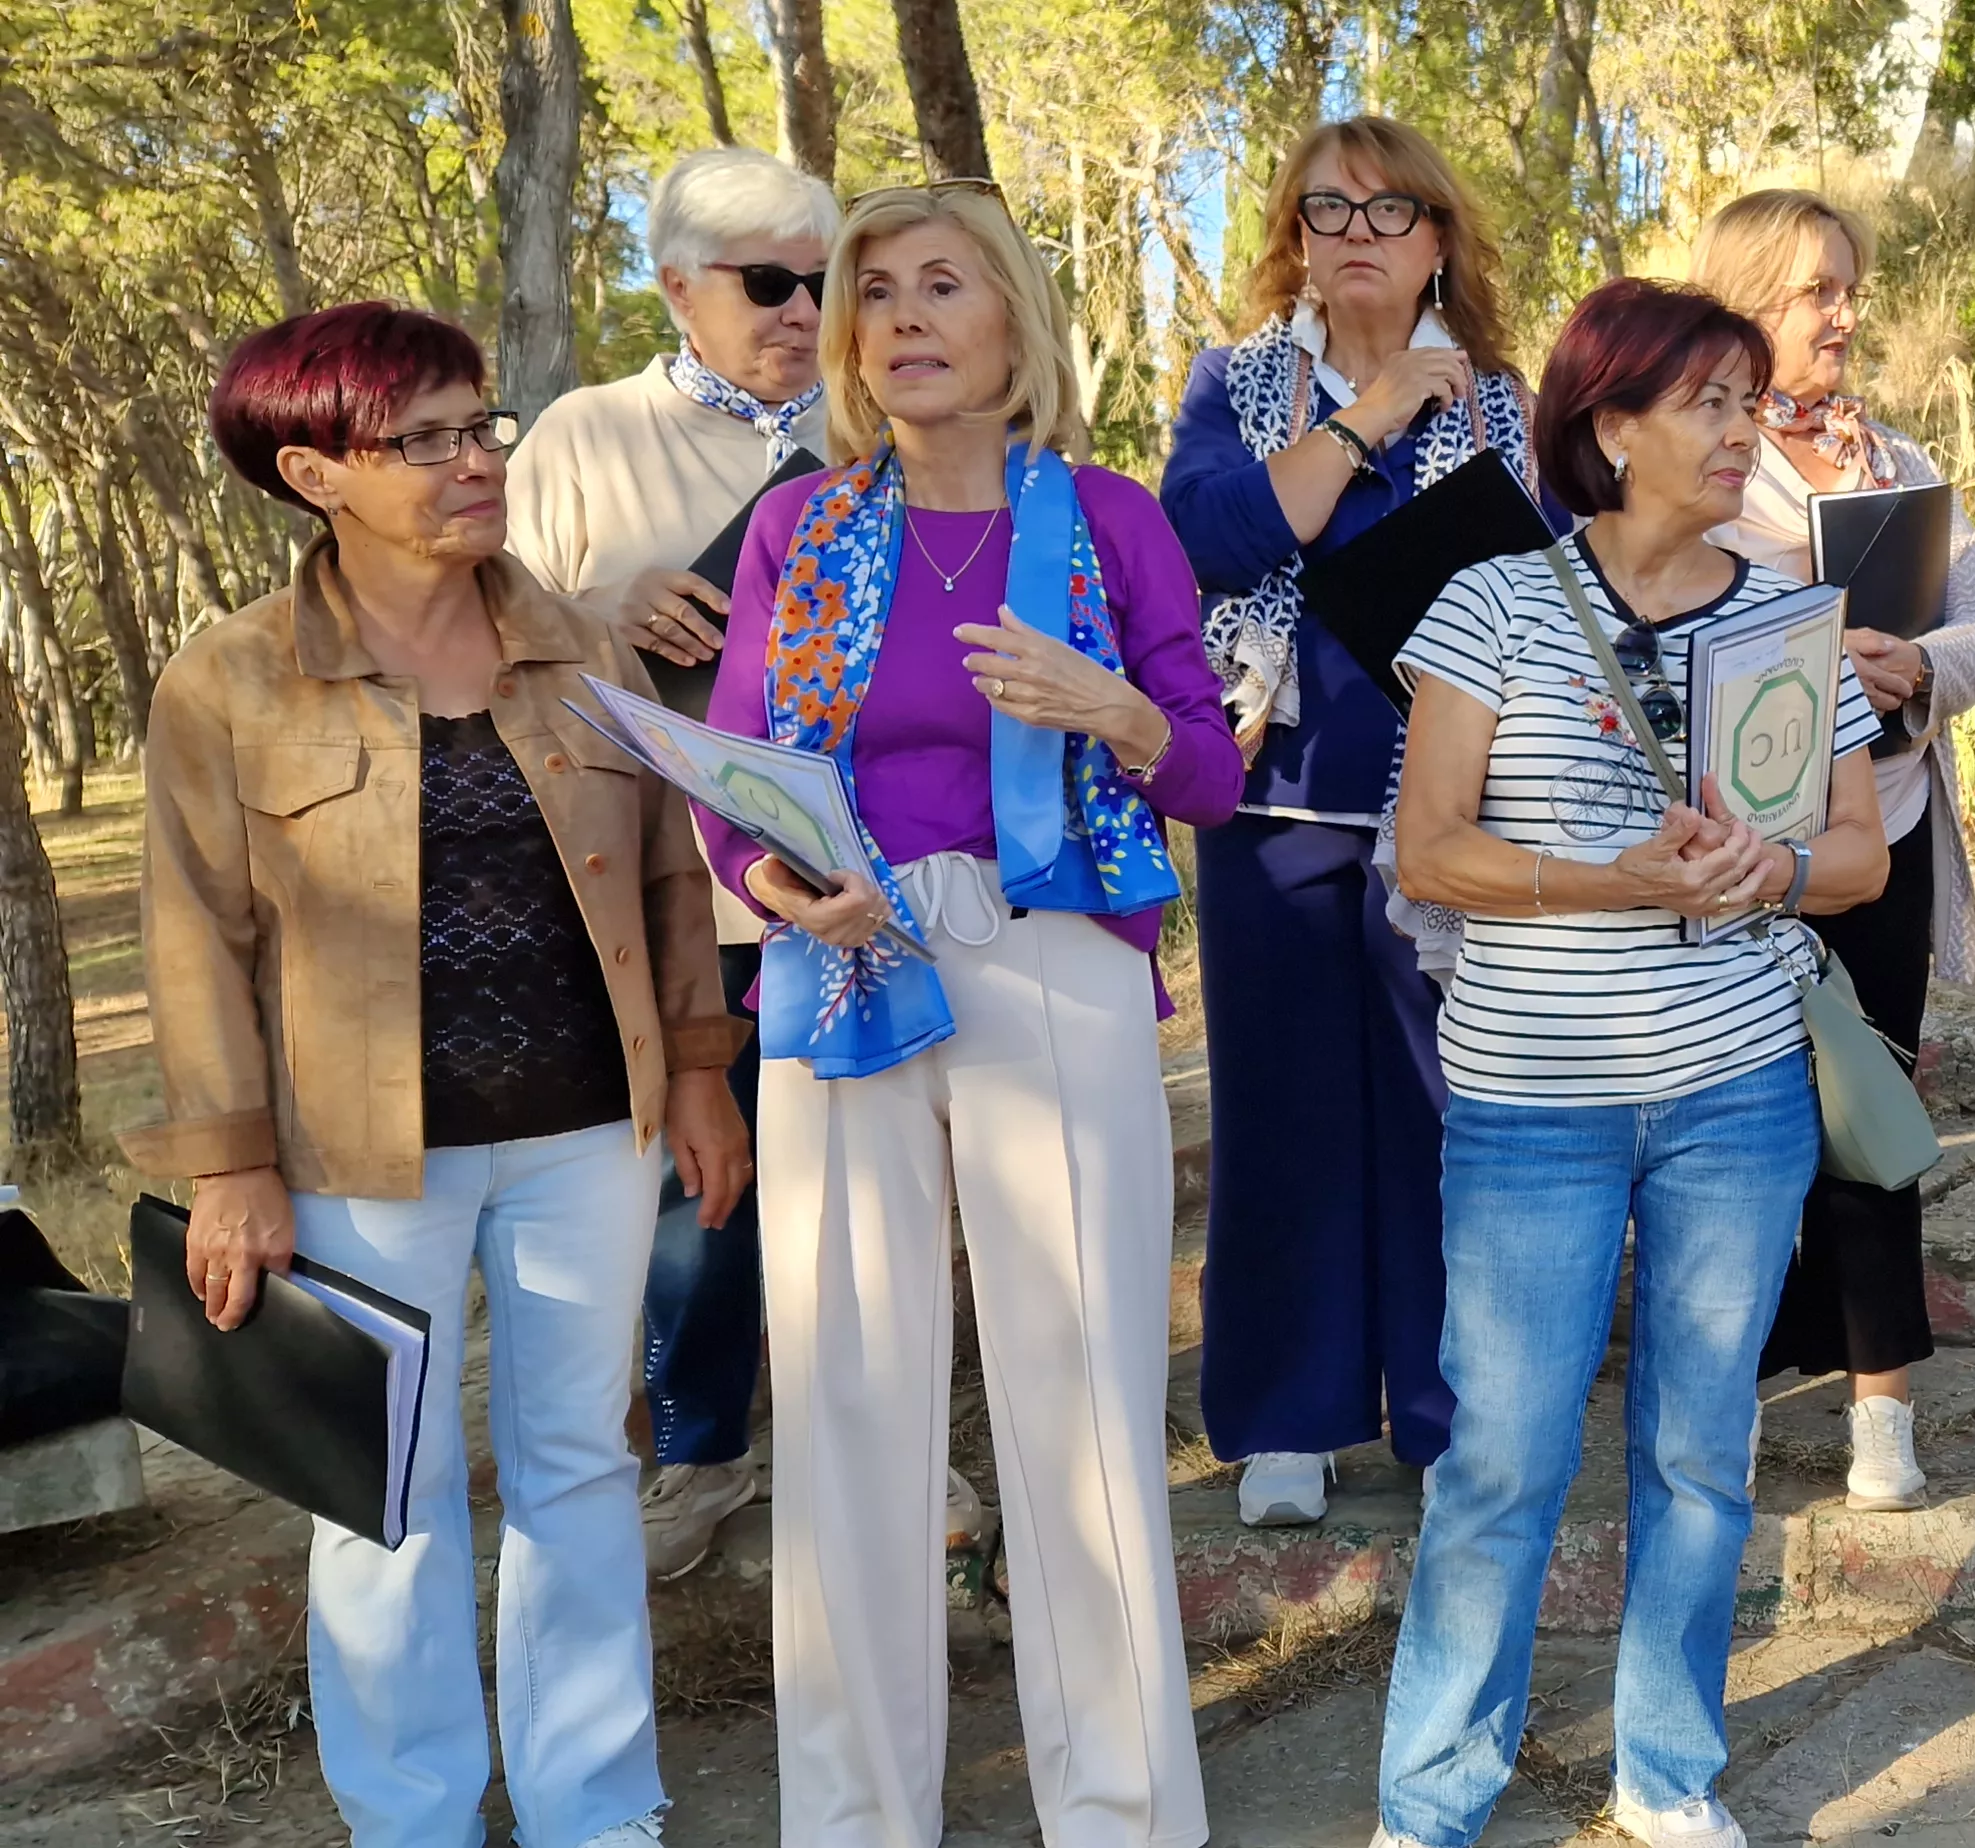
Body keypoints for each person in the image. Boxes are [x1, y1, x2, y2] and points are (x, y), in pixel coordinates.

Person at [141, 300, 750, 1848]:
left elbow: (675, 877)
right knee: (382, 1496)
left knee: (579, 1474)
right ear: (313, 471)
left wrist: (695, 1068)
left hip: (581, 1137)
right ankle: (410, 1817)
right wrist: (229, 1167)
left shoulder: (580, 636)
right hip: (353, 1162)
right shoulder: (231, 678)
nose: (480, 459)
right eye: (427, 438)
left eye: (484, 422)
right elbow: (193, 935)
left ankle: (594, 1808)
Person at [703, 181, 1240, 1846]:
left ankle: (1123, 1812)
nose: (906, 318)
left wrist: (1113, 706)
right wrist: (787, 887)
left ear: (1014, 322)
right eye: (877, 295)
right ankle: (856, 1816)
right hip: (846, 957)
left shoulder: (1109, 518)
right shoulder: (799, 527)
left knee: (1075, 1398)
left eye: (945, 285)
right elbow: (732, 787)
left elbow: (1215, 773)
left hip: (1053, 948)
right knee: (851, 1401)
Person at [1372, 277, 1892, 1848]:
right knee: (1501, 1467)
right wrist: (1623, 884)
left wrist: (1767, 876)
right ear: (1612, 426)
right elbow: (1428, 853)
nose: (1748, 431)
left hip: (1737, 1100)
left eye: (1752, 401)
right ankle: (1432, 1796)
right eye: (1712, 405)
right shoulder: (1493, 603)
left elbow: (1858, 854)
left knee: (1699, 1455)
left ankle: (1670, 1775)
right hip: (1531, 1106)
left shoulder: (1793, 619)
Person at [1163, 115, 1562, 1531]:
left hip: (1450, 814)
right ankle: (1290, 1411)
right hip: (1271, 805)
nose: (1353, 234)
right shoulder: (1235, 388)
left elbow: (1551, 598)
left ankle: (1447, 1406)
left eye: (1389, 212)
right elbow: (1200, 543)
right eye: (1324, 209)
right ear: (1293, 236)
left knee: (1447, 1111)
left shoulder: (1510, 408)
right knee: (1282, 1114)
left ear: (1441, 241)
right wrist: (1368, 416)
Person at [508, 143, 842, 1580]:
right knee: (702, 1200)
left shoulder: (879, 428)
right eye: (769, 282)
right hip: (679, 898)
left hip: (860, 890)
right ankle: (699, 1457)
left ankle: (867, 1441)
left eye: (825, 282)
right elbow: (497, 644)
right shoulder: (583, 438)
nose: (803, 311)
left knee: (865, 1188)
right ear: (676, 287)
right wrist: (606, 609)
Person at [1691, 187, 1975, 1512]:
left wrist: (1913, 665)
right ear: (1750, 305)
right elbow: (1678, 626)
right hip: (1745, 845)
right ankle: (1741, 1398)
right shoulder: (1699, 463)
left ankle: (1881, 1406)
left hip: (1886, 827)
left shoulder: (1899, 461)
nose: (1843, 313)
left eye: (1848, 288)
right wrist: (1830, 662)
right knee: (1743, 1122)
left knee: (1876, 1104)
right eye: (1816, 289)